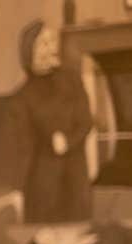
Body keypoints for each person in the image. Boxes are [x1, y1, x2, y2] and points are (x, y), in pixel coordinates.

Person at [10, 20, 94, 223]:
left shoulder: (72, 80)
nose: (52, 49)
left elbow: (86, 122)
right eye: (44, 44)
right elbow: (23, 148)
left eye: (52, 42)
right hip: (43, 188)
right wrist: (18, 189)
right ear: (30, 52)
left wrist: (68, 141)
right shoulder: (22, 97)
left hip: (76, 181)